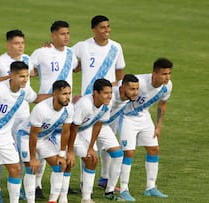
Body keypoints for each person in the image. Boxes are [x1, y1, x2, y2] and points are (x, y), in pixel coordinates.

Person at [0, 61, 47, 203]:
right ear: (11, 76)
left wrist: (56, 96)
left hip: (5, 137)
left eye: (27, 76)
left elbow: (36, 98)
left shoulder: (25, 90)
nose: (25, 79)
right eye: (21, 76)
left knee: (15, 170)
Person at [72, 15, 126, 189]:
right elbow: (65, 62)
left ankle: (104, 179)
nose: (107, 30)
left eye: (108, 27)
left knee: (107, 142)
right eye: (103, 27)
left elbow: (121, 77)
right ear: (94, 29)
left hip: (107, 103)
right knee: (89, 144)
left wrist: (110, 92)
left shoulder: (116, 47)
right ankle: (84, 183)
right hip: (87, 105)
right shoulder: (83, 46)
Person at [30, 20, 79, 197]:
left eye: (67, 33)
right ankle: (36, 186)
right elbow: (28, 72)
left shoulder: (71, 53)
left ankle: (62, 189)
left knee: (60, 146)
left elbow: (76, 68)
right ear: (53, 35)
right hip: (46, 108)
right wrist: (36, 96)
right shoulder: (41, 52)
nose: (66, 37)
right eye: (62, 33)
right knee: (40, 146)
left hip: (64, 107)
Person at [118, 58, 173, 201]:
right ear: (154, 74)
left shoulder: (167, 86)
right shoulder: (139, 82)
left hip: (144, 118)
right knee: (128, 152)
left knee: (154, 149)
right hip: (127, 117)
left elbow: (162, 105)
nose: (167, 77)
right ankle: (124, 190)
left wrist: (159, 126)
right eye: (164, 74)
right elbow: (119, 87)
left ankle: (151, 187)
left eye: (169, 74)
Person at [0, 29, 32, 202]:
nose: (20, 46)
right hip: (5, 113)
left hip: (23, 113)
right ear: (8, 44)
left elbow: (34, 73)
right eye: (16, 43)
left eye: (22, 43)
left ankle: (19, 185)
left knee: (22, 151)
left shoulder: (28, 59)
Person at [17, 80, 74, 203]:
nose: (68, 97)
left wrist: (62, 154)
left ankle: (53, 201)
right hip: (26, 137)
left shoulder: (69, 108)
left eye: (69, 93)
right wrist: (33, 158)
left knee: (59, 165)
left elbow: (66, 132)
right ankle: (30, 201)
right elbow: (33, 135)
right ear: (55, 94)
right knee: (31, 168)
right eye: (64, 94)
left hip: (44, 138)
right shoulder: (41, 109)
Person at [68, 78, 114, 203]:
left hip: (82, 132)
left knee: (92, 159)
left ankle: (86, 198)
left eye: (110, 92)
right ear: (96, 93)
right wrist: (70, 150)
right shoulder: (85, 104)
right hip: (67, 132)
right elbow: (73, 127)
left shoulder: (106, 104)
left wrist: (91, 147)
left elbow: (98, 124)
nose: (109, 96)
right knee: (68, 162)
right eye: (105, 93)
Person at [98, 74, 139, 200]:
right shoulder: (110, 98)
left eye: (137, 89)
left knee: (117, 154)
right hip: (91, 126)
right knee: (89, 156)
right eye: (132, 89)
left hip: (106, 126)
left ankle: (108, 190)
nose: (135, 93)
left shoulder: (127, 97)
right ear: (122, 89)